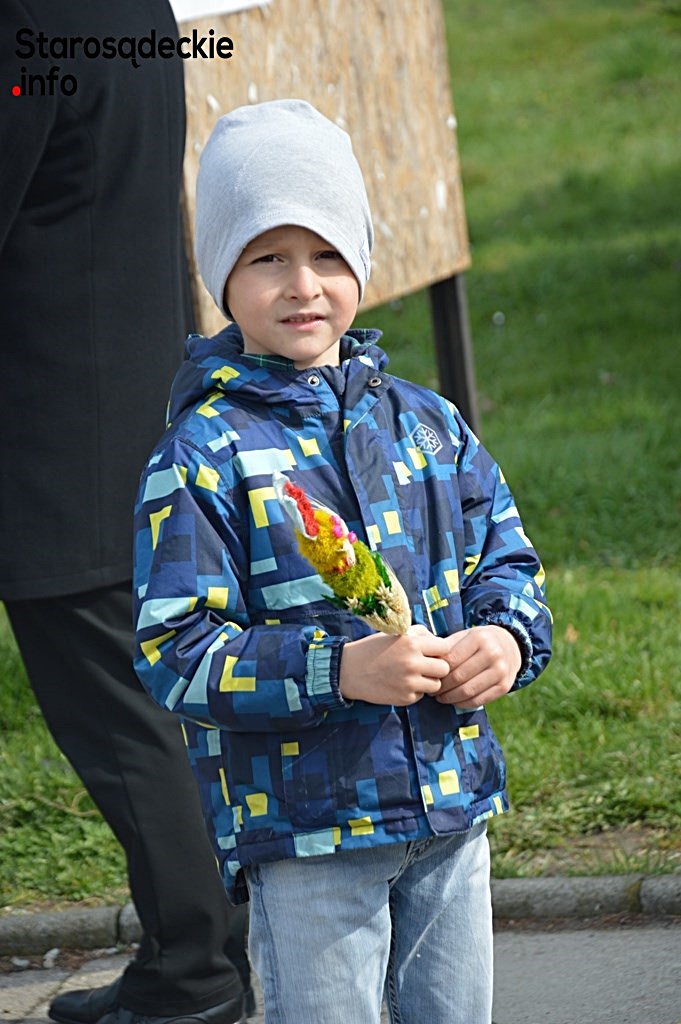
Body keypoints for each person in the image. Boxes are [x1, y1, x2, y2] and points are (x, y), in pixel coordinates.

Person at [132, 98, 553, 1024]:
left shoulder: (428, 425)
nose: (303, 285)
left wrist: (505, 640)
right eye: (267, 258)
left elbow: (507, 562)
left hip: (449, 812)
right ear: (221, 274)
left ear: (360, 259)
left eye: (327, 254)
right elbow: (176, 652)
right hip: (306, 836)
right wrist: (338, 669)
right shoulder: (203, 454)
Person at [0, 2, 250, 1022]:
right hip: (127, 385)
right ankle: (215, 952)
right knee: (154, 700)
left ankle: (197, 971)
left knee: (122, 714)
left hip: (57, 418)